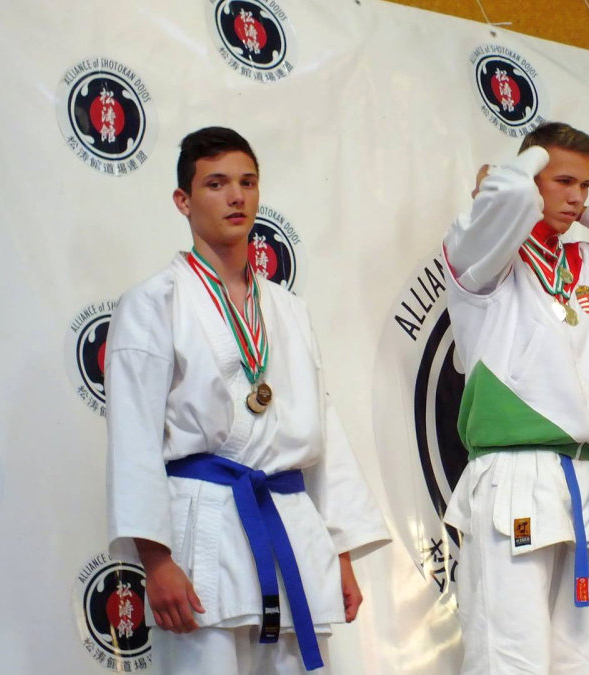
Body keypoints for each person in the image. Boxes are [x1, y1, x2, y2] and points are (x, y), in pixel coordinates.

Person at [104, 127, 390, 674]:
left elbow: (321, 428)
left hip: (292, 530)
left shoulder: (288, 308)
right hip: (202, 535)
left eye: (247, 182)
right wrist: (156, 561)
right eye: (216, 184)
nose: (236, 196)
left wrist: (338, 551)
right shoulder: (153, 302)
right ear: (183, 201)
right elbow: (133, 437)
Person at [441, 121, 589, 674]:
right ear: (529, 182)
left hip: (585, 478)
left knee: (582, 659)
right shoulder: (483, 261)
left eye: (585, 185)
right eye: (563, 182)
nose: (576, 197)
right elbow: (502, 204)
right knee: (509, 656)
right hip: (513, 474)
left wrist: (581, 207)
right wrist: (518, 180)